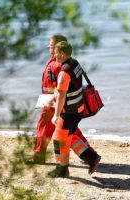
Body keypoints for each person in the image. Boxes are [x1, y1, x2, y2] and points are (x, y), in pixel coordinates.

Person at [27, 35, 98, 165]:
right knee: (70, 130)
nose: (49, 47)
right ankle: (89, 154)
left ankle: (40, 156)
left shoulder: (58, 65)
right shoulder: (70, 62)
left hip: (56, 103)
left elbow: (62, 88)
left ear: (60, 49)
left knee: (48, 129)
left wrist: (54, 105)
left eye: (52, 45)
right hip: (64, 103)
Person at [47, 41, 101, 178]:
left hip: (69, 112)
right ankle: (91, 158)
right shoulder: (75, 63)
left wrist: (56, 114)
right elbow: (73, 86)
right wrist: (55, 95)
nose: (54, 56)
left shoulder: (64, 72)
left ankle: (62, 169)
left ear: (63, 54)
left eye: (56, 54)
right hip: (78, 109)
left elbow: (62, 95)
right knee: (68, 137)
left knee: (59, 139)